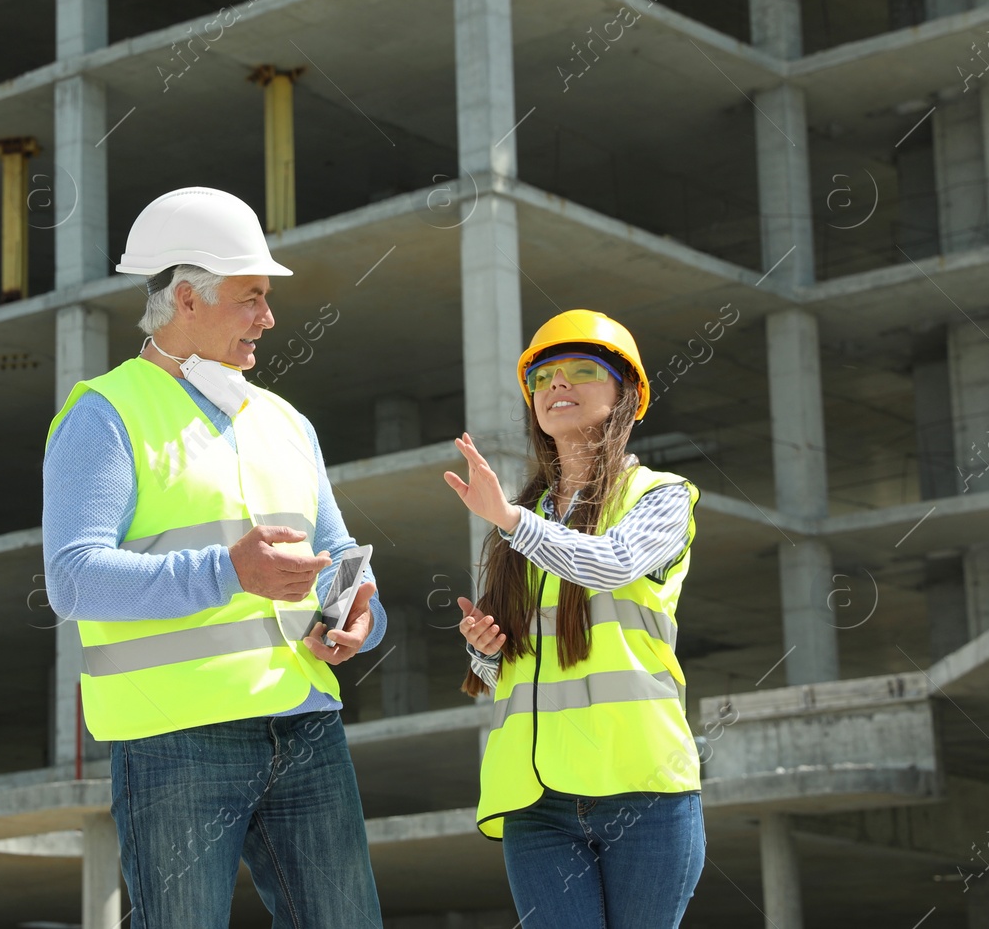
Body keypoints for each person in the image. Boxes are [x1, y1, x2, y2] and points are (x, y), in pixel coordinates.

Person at [42, 186, 387, 929]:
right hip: (175, 742)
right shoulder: (105, 414)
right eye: (251, 296)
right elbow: (71, 577)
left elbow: (337, 563)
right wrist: (229, 572)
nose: (268, 316)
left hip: (304, 725)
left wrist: (362, 614)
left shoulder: (288, 423)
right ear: (186, 299)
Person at [443, 309, 704, 928]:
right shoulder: (525, 518)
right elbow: (517, 665)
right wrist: (484, 650)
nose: (558, 384)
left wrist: (509, 519)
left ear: (628, 395)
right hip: (536, 800)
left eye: (583, 371)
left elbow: (613, 564)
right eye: (544, 377)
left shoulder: (660, 497)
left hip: (641, 788)